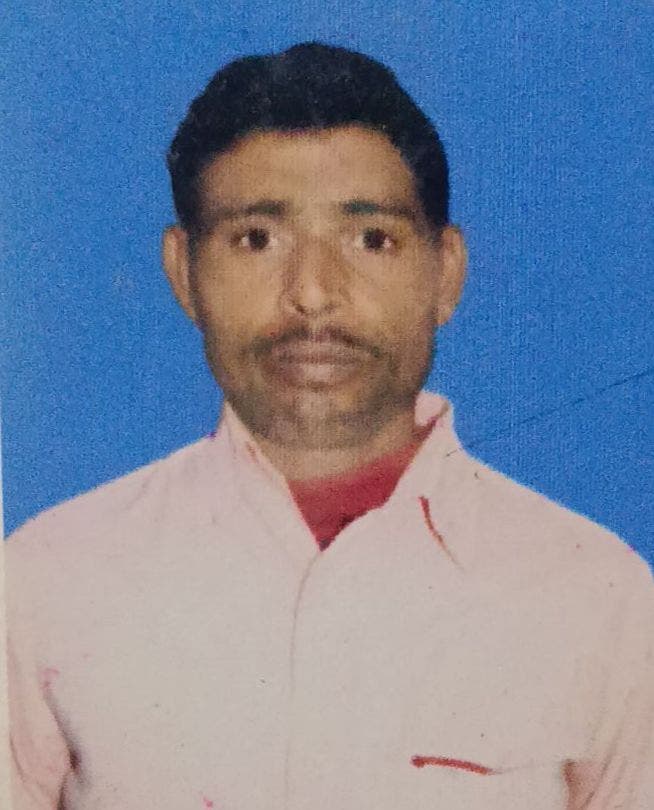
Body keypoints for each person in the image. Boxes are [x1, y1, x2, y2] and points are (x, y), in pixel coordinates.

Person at [4, 42, 653, 810]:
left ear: (445, 273)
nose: (313, 294)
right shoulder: (45, 580)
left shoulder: (599, 597)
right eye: (257, 238)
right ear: (184, 273)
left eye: (371, 238)